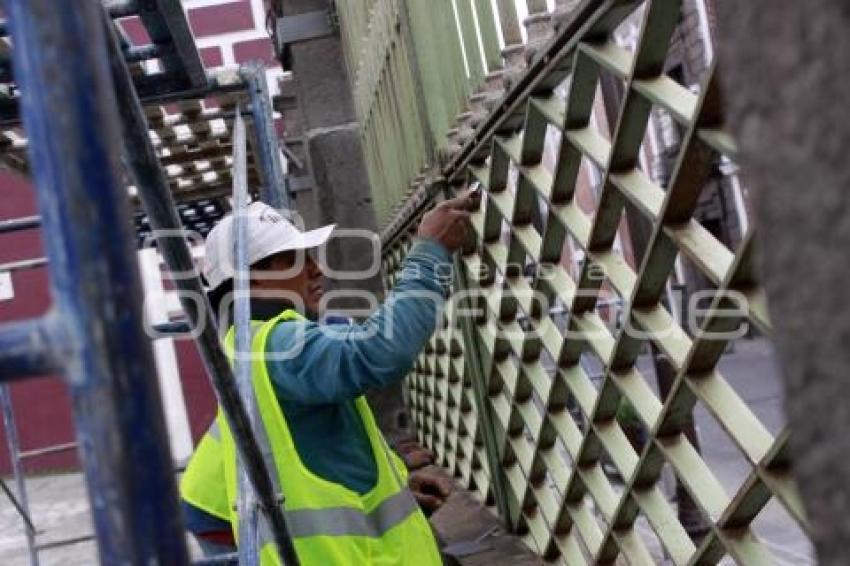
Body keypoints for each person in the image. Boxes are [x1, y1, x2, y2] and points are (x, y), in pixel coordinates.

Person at [180, 190, 478, 564]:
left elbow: (327, 448)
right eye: (294, 259)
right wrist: (429, 252)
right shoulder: (276, 343)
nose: (315, 268)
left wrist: (397, 487)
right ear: (250, 281)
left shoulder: (255, 342)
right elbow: (379, 353)